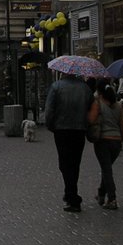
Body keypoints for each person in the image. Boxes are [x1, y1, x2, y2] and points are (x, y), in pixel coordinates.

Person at [45, 71, 94, 212]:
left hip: (62, 130)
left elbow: (49, 110)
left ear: (62, 72)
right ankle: (71, 195)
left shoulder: (56, 87)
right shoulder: (84, 88)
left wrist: (51, 126)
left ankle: (71, 196)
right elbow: (91, 107)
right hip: (79, 129)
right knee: (75, 162)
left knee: (64, 163)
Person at [88, 82, 123, 210]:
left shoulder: (97, 103)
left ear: (100, 93)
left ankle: (112, 198)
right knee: (106, 168)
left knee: (106, 170)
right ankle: (101, 194)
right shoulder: (118, 106)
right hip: (116, 142)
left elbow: (91, 119)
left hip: (103, 141)